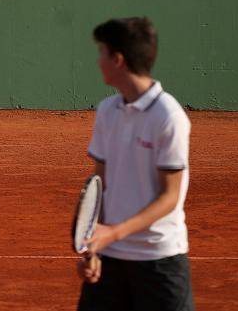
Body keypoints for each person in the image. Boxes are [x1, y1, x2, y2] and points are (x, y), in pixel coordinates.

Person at [76, 17, 193, 311]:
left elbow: (170, 197)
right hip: (111, 259)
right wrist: (93, 250)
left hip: (159, 261)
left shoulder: (168, 116)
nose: (98, 60)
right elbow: (99, 187)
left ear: (118, 60)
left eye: (101, 52)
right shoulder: (107, 111)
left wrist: (113, 233)